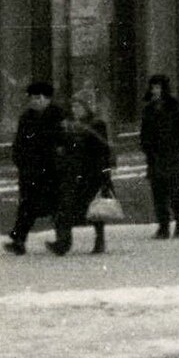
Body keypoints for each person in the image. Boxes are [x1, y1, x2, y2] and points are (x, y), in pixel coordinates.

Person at [54, 91, 115, 256]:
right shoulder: (70, 125)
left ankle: (99, 240)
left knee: (95, 210)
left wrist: (105, 175)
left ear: (86, 107)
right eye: (73, 106)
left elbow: (102, 149)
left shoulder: (96, 124)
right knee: (65, 207)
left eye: (78, 105)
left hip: (92, 173)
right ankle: (63, 243)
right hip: (74, 173)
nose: (75, 109)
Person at [8, 80, 64, 256]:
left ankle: (62, 241)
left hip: (51, 170)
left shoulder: (58, 115)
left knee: (56, 206)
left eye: (38, 98)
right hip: (30, 170)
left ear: (47, 99)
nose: (35, 101)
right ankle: (18, 241)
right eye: (32, 98)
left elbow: (63, 141)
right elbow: (18, 143)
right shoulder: (26, 117)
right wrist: (20, 161)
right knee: (26, 206)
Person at [138, 73, 179, 239]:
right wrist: (146, 147)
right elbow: (144, 132)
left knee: (174, 192)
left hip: (171, 156)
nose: (155, 91)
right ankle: (163, 226)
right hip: (155, 157)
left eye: (158, 87)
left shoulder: (174, 106)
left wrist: (175, 145)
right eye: (153, 87)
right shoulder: (148, 108)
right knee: (158, 194)